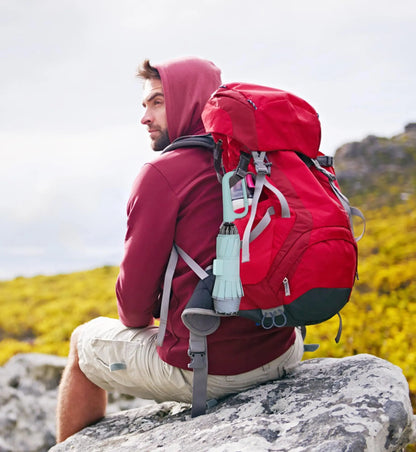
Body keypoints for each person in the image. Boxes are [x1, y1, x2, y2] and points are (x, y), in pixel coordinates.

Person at [56, 56, 304, 442]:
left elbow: (133, 310)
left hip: (215, 369)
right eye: (144, 105)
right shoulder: (260, 159)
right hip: (283, 349)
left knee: (82, 343)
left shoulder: (162, 174)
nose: (145, 117)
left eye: (157, 102)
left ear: (189, 101)